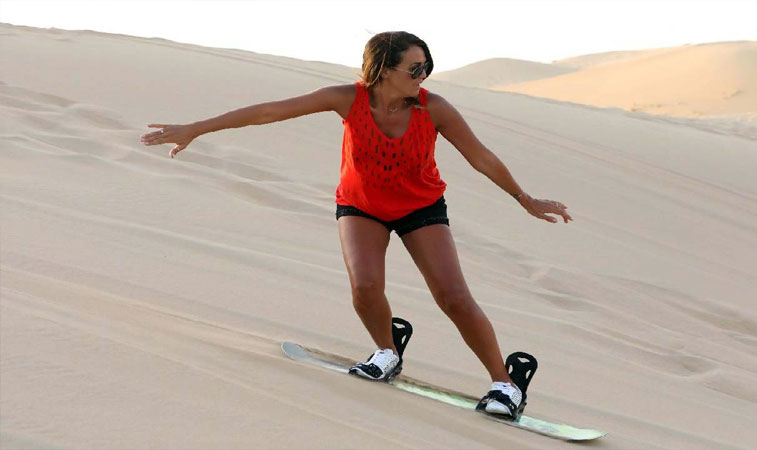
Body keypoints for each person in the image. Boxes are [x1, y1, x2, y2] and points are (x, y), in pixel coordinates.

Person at [140, 31, 572, 417]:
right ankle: (387, 351)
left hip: (420, 207)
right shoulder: (347, 99)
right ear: (383, 69)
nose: (424, 75)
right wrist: (198, 127)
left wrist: (524, 198)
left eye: (428, 66)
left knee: (453, 296)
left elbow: (480, 156)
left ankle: (505, 384)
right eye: (415, 67)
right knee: (365, 287)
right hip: (361, 205)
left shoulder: (433, 108)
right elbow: (271, 111)